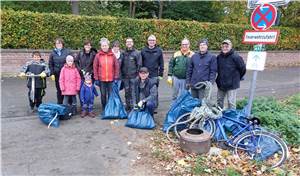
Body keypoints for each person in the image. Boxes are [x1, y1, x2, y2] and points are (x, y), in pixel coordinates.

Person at [216, 39, 246, 109]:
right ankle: (219, 115)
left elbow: (243, 69)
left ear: (230, 47)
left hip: (232, 84)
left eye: (226, 46)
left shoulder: (236, 57)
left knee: (231, 102)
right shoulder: (219, 57)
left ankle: (232, 117)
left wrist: (237, 78)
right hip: (221, 84)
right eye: (223, 46)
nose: (225, 48)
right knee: (219, 101)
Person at [93, 38, 119, 110]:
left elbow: (116, 66)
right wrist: (96, 78)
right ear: (101, 47)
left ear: (108, 46)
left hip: (111, 79)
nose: (104, 47)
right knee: (103, 95)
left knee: (110, 95)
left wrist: (116, 77)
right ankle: (104, 108)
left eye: (106, 45)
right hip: (102, 79)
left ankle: (110, 108)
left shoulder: (112, 55)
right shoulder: (98, 56)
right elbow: (95, 67)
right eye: (103, 46)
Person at [120, 37, 142, 111]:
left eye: (130, 42)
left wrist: (138, 76)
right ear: (126, 44)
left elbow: (139, 65)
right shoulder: (123, 53)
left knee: (133, 92)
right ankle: (128, 105)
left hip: (134, 77)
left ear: (133, 43)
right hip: (125, 77)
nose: (129, 43)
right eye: (127, 42)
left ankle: (133, 106)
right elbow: (121, 64)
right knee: (126, 92)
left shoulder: (137, 53)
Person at [49, 38, 71, 104]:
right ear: (55, 45)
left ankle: (70, 104)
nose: (58, 45)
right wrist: (52, 73)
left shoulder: (67, 52)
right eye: (57, 43)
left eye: (60, 43)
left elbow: (72, 61)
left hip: (66, 74)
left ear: (62, 44)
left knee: (68, 89)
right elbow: (50, 64)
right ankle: (60, 104)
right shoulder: (53, 53)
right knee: (59, 89)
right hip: (57, 74)